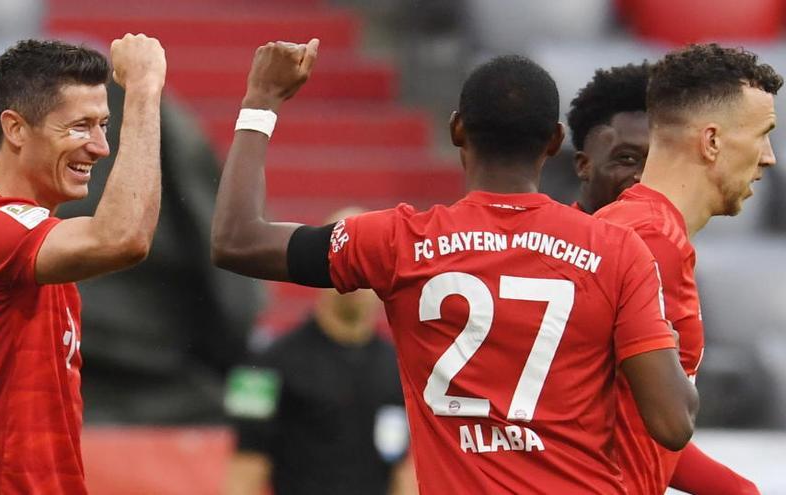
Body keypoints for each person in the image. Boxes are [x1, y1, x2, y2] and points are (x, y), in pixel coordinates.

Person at [211, 40, 698, 493]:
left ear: (457, 129)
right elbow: (673, 424)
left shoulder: (398, 242)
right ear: (555, 141)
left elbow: (237, 240)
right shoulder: (619, 252)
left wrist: (262, 100)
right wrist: (676, 341)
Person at [0, 35, 166, 494]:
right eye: (80, 126)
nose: (100, 147)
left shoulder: (21, 238)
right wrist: (143, 89)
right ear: (16, 129)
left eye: (104, 125)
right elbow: (123, 238)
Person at [595, 43, 780, 495]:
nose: (770, 157)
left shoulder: (627, 226)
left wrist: (735, 490)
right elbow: (659, 423)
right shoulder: (651, 244)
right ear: (712, 141)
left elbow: (633, 423)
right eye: (762, 134)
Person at [223, 208, 415, 494]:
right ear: (324, 263)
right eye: (349, 257)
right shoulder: (264, 365)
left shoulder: (402, 367)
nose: (359, 274)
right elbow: (244, 471)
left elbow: (404, 472)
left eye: (370, 260)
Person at [566, 62, 650, 214]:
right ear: (583, 165)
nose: (643, 177)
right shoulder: (549, 234)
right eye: (628, 158)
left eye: (656, 163)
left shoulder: (673, 237)